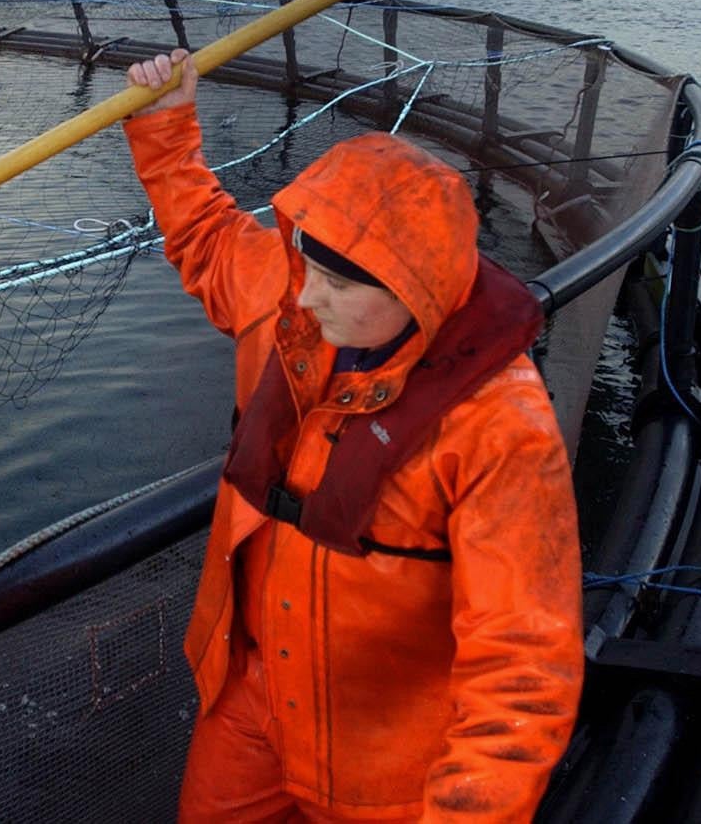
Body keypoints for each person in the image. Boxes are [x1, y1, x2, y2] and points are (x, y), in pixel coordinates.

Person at [122, 48, 584, 823]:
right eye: (304, 264)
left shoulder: (500, 427)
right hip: (251, 705)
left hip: (394, 761)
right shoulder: (289, 292)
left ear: (416, 287)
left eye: (340, 283)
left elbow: (522, 668)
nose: (308, 297)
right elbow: (205, 236)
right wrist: (164, 124)